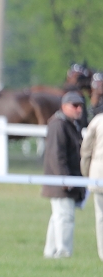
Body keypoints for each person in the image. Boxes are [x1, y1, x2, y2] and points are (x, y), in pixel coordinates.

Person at [42, 90, 86, 259]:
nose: (79, 109)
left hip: (63, 179)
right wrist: (64, 178)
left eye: (80, 105)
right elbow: (56, 155)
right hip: (60, 180)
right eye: (75, 105)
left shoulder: (68, 123)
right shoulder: (58, 124)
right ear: (64, 106)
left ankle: (51, 251)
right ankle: (63, 252)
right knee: (65, 217)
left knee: (58, 217)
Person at [80, 109, 103, 261]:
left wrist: (86, 172)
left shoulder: (97, 120)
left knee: (101, 216)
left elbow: (86, 149)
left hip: (99, 175)